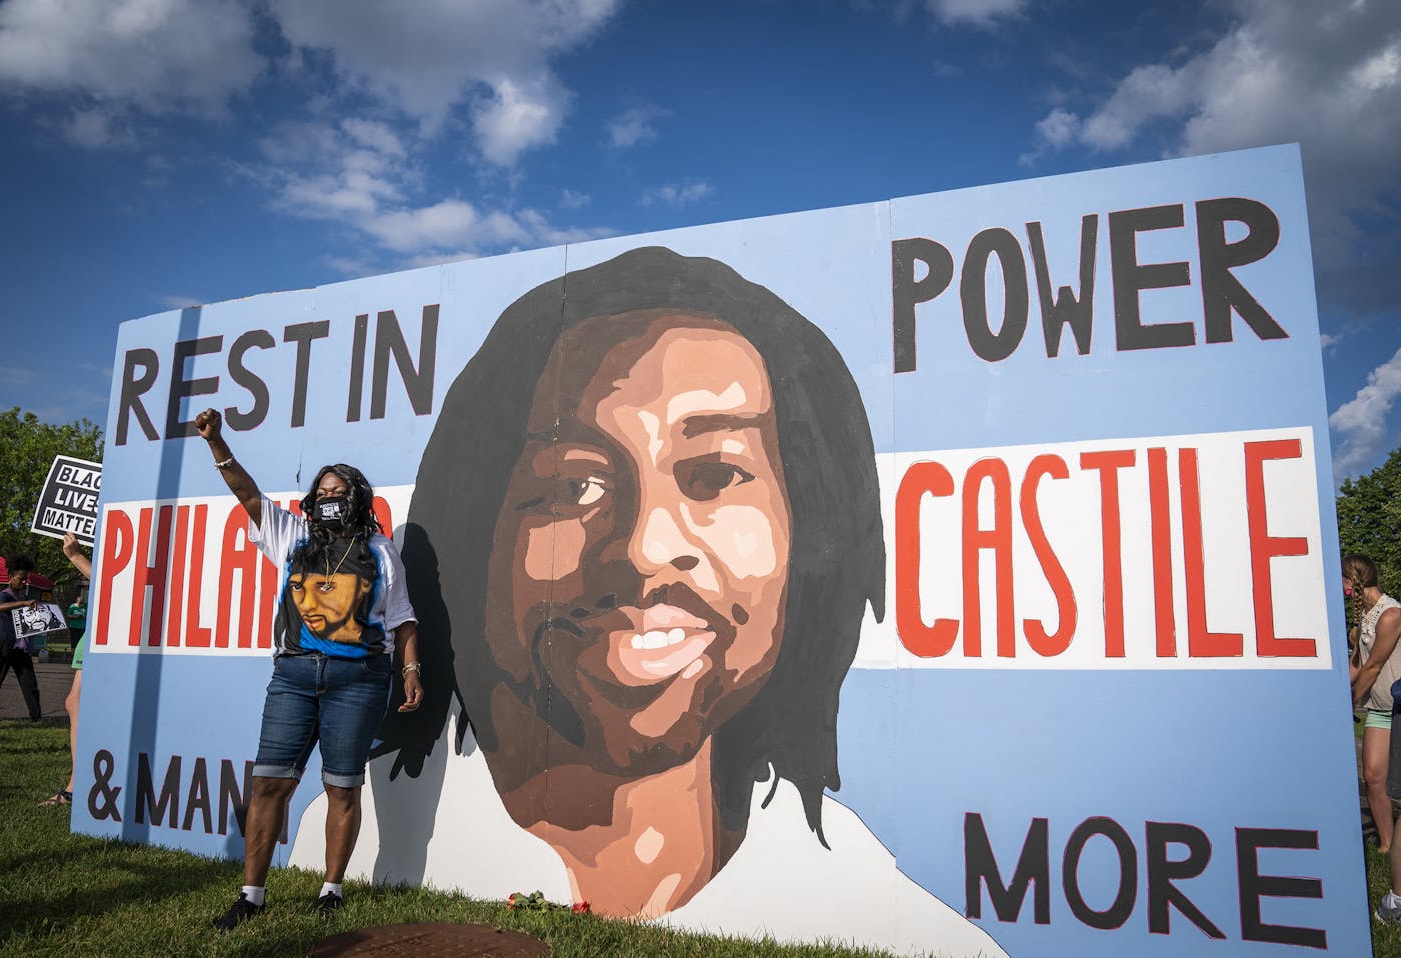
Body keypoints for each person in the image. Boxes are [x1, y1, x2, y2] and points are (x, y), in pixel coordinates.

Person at [288, 247, 1008, 957]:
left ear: (807, 525)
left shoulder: (902, 914)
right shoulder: (375, 825)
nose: (645, 549)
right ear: (483, 529)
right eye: (573, 487)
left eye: (715, 474)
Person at [192, 407, 425, 930]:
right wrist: (217, 444)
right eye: (320, 492)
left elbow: (404, 619)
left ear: (357, 499)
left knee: (343, 786)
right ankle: (251, 895)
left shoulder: (381, 552)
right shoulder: (293, 538)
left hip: (361, 682)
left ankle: (331, 889)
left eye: (337, 492)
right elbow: (247, 495)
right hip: (294, 679)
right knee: (270, 784)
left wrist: (411, 670)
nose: (326, 499)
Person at [1346, 554, 1401, 853]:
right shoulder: (1364, 616)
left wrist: (1349, 701)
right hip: (1379, 709)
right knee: (1372, 777)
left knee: (1396, 781)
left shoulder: (1391, 614)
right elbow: (1357, 663)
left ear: (1353, 580)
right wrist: (1333, 692)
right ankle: (1388, 844)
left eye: (1342, 579)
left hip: (1398, 707)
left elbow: (1374, 667)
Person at [41, 533, 92, 806]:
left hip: (109, 629)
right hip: (97, 630)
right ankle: (79, 784)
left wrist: (75, 556)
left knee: (79, 702)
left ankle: (78, 785)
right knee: (76, 702)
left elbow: (111, 580)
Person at [0, 553, 42, 721]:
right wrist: (21, 604)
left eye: (25, 579)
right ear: (10, 577)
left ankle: (36, 717)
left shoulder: (24, 596)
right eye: (20, 579)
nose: (23, 582)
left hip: (20, 646)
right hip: (3, 644)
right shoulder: (4, 595)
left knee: (29, 681)